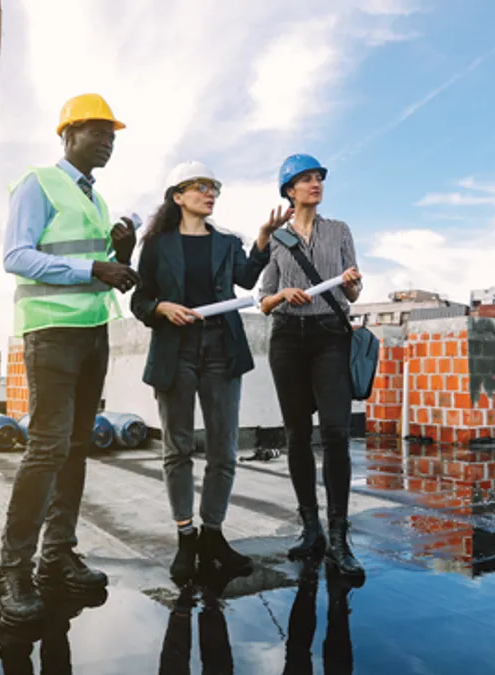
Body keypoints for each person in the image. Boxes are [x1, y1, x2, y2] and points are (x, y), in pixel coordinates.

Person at [0, 93, 142, 624]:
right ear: (68, 134)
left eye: (112, 136)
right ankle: (13, 571)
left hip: (91, 332)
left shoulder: (97, 200)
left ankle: (56, 558)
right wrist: (93, 270)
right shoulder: (39, 183)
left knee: (77, 448)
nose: (108, 142)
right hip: (51, 332)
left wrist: (121, 254)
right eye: (98, 132)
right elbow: (17, 255)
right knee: (47, 449)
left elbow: (100, 265)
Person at [130, 160, 292, 585]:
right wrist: (161, 307)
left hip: (222, 348)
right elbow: (140, 300)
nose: (210, 192)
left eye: (213, 186)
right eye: (200, 186)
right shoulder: (157, 245)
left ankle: (213, 535)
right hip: (175, 351)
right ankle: (186, 537)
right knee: (178, 448)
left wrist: (260, 242)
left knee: (223, 450)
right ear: (178, 196)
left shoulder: (226, 242)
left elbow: (244, 278)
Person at [259, 153, 365, 580]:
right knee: (297, 436)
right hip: (287, 338)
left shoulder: (339, 231)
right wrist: (285, 294)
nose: (315, 183)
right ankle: (311, 530)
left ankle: (339, 536)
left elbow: (353, 293)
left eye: (319, 177)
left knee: (337, 433)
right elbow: (263, 300)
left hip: (329, 337)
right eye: (306, 179)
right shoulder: (278, 241)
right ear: (289, 190)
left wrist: (353, 283)